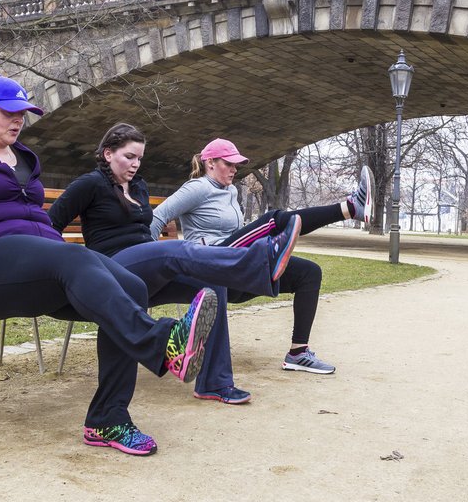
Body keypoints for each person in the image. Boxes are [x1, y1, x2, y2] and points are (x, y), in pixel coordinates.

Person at [0, 76, 285, 457]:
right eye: (7, 112)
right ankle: (163, 345)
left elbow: (41, 226)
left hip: (37, 266)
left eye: (22, 114)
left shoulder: (26, 159)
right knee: (74, 256)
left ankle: (108, 420)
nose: (17, 121)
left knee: (131, 287)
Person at [48, 123, 303, 405]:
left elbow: (145, 229)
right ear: (108, 154)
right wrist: (70, 269)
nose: (135, 164)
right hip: (112, 267)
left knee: (211, 282)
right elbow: (50, 225)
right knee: (176, 250)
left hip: (143, 266)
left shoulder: (139, 186)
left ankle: (214, 383)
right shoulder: (89, 185)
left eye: (140, 158)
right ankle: (259, 260)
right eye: (129, 157)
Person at [150, 138, 373, 375]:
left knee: (309, 273)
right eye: (229, 164)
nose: (235, 170)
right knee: (272, 221)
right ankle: (350, 208)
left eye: (237, 165)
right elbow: (156, 218)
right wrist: (152, 264)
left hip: (236, 270)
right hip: (210, 264)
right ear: (210, 163)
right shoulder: (196, 188)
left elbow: (234, 232)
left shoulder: (230, 191)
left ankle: (298, 353)